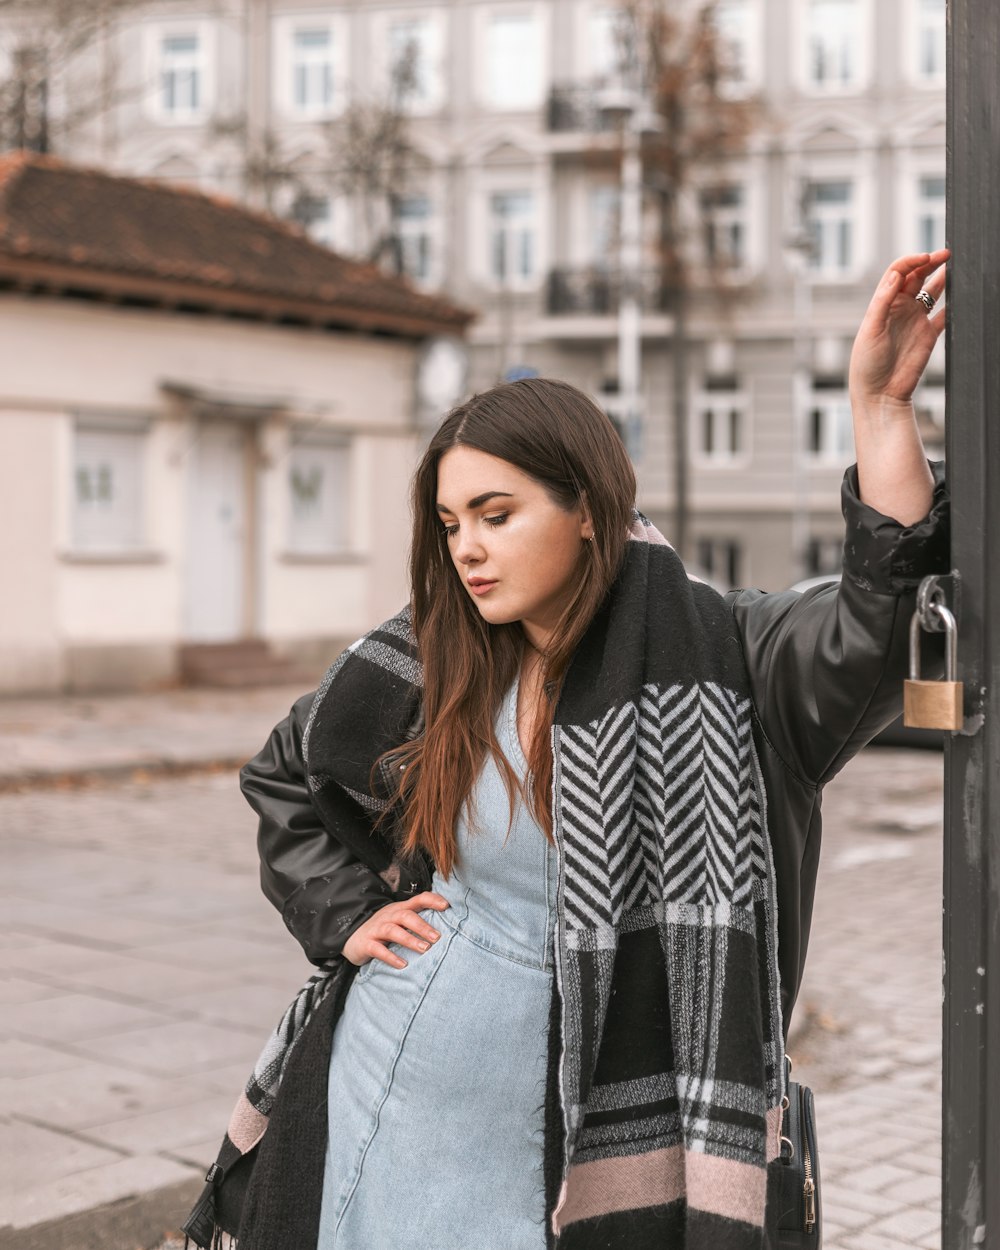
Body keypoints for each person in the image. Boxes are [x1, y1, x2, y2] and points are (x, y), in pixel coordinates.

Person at [183, 251, 950, 1250]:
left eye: (497, 516)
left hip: (574, 1135)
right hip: (377, 1075)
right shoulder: (430, 654)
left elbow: (868, 631)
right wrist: (347, 913)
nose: (466, 548)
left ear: (586, 508)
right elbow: (285, 769)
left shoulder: (726, 657)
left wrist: (879, 412)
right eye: (452, 522)